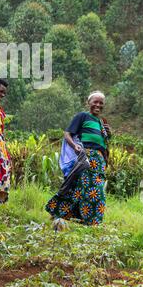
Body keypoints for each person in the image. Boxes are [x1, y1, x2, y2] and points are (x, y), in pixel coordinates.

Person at [46, 91, 112, 227]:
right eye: (95, 102)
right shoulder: (82, 116)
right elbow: (67, 134)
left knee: (79, 189)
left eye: (101, 103)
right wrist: (75, 145)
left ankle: (61, 213)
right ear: (88, 103)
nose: (98, 105)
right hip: (86, 158)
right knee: (95, 191)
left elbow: (103, 144)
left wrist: (108, 134)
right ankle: (93, 223)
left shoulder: (101, 122)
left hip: (99, 161)